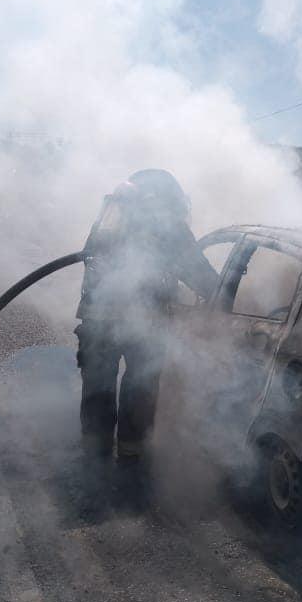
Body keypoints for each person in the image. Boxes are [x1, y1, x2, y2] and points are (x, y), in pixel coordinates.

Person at [76, 169, 220, 462]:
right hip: (145, 324)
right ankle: (132, 455)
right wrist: (223, 294)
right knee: (140, 385)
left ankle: (95, 452)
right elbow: (200, 274)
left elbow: (88, 258)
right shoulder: (170, 228)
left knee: (98, 385)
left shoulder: (109, 220)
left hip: (97, 320)